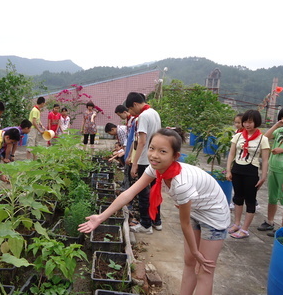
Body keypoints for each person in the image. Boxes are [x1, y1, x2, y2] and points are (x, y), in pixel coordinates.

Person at [79, 128, 230, 295]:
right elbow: (129, 193)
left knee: (204, 270)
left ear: (175, 156)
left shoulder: (181, 184)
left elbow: (184, 223)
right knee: (189, 262)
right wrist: (100, 217)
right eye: (152, 148)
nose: (154, 155)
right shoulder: (155, 169)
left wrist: (196, 251)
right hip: (197, 209)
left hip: (214, 216)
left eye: (162, 151)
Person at [226, 110, 270, 239]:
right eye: (245, 121)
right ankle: (237, 224)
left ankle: (245, 230)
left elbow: (265, 159)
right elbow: (232, 154)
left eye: (250, 122)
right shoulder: (238, 136)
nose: (247, 124)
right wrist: (228, 170)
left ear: (256, 122)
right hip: (237, 170)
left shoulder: (263, 139)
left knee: (250, 201)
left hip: (251, 172)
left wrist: (263, 176)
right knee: (238, 198)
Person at [125, 92, 161, 234]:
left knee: (142, 192)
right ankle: (156, 221)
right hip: (155, 159)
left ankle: (146, 224)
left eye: (130, 109)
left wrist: (135, 163)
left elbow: (141, 141)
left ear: (135, 104)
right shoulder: (154, 113)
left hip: (144, 160)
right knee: (155, 191)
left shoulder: (143, 116)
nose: (131, 113)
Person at [257, 106, 283, 237]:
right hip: (273, 168)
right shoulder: (280, 131)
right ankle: (270, 221)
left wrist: (282, 150)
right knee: (272, 197)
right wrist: (277, 125)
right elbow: (264, 138)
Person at [115, 105, 135, 191]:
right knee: (126, 169)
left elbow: (133, 137)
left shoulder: (133, 120)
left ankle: (126, 187)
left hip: (131, 148)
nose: (120, 117)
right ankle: (125, 184)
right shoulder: (129, 120)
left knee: (128, 168)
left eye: (120, 115)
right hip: (128, 147)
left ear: (124, 112)